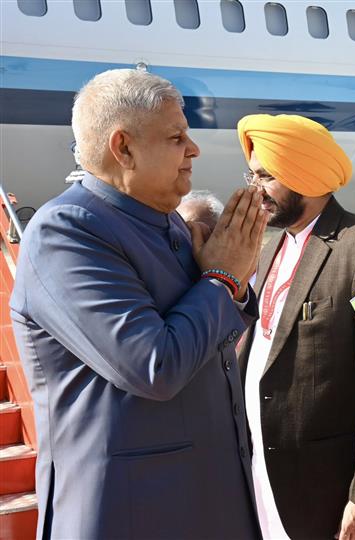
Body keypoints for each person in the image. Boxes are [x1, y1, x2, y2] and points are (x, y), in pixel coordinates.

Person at [10, 69, 267, 539]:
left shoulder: (167, 225)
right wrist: (222, 276)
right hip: (132, 512)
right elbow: (154, 365)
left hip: (209, 504)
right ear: (123, 147)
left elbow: (215, 335)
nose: (194, 150)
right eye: (176, 137)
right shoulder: (67, 231)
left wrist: (232, 282)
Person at [235, 114, 355, 540]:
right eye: (252, 174)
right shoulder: (274, 245)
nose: (254, 188)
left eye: (266, 176)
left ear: (302, 175)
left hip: (327, 494)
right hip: (266, 478)